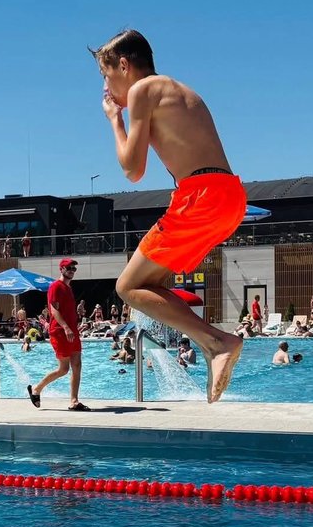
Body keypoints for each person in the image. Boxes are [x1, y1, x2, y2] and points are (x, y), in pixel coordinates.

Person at [94, 29, 246, 402]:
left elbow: (133, 169)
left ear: (124, 66)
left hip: (201, 197)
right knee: (152, 284)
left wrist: (114, 119)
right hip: (228, 196)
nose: (107, 87)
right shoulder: (179, 91)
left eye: (106, 76)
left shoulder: (143, 90)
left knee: (127, 287)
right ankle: (214, 345)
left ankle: (218, 343)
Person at [28, 257, 88, 411]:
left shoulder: (68, 288)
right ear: (61, 269)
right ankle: (36, 389)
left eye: (74, 269)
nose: (72, 271)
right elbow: (54, 310)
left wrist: (77, 318)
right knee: (64, 369)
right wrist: (66, 328)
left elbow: (67, 311)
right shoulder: (56, 286)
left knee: (77, 364)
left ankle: (74, 401)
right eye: (69, 268)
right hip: (60, 331)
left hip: (71, 330)